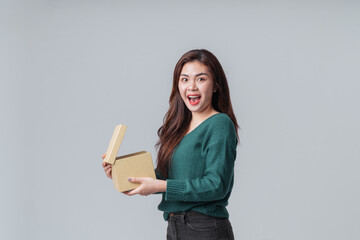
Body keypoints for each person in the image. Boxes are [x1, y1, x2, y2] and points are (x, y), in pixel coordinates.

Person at [102, 49, 239, 240]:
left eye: (200, 79)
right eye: (184, 79)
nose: (191, 86)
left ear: (215, 85)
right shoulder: (178, 127)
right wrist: (122, 174)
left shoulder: (220, 124)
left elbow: (216, 185)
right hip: (175, 227)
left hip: (204, 227)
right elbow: (167, 177)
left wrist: (162, 186)